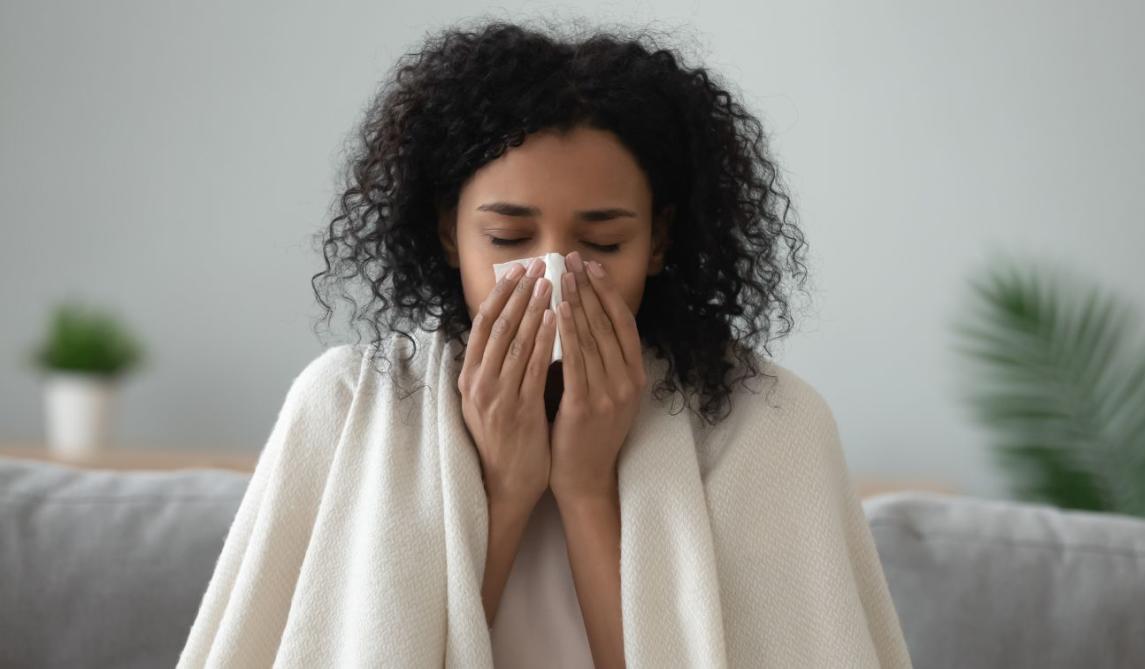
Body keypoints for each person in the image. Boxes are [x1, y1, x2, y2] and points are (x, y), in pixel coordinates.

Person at [179, 17, 912, 669]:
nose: (555, 275)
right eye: (507, 238)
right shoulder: (346, 407)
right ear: (446, 232)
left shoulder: (770, 423)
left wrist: (587, 489)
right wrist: (505, 487)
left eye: (602, 240)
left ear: (657, 240)